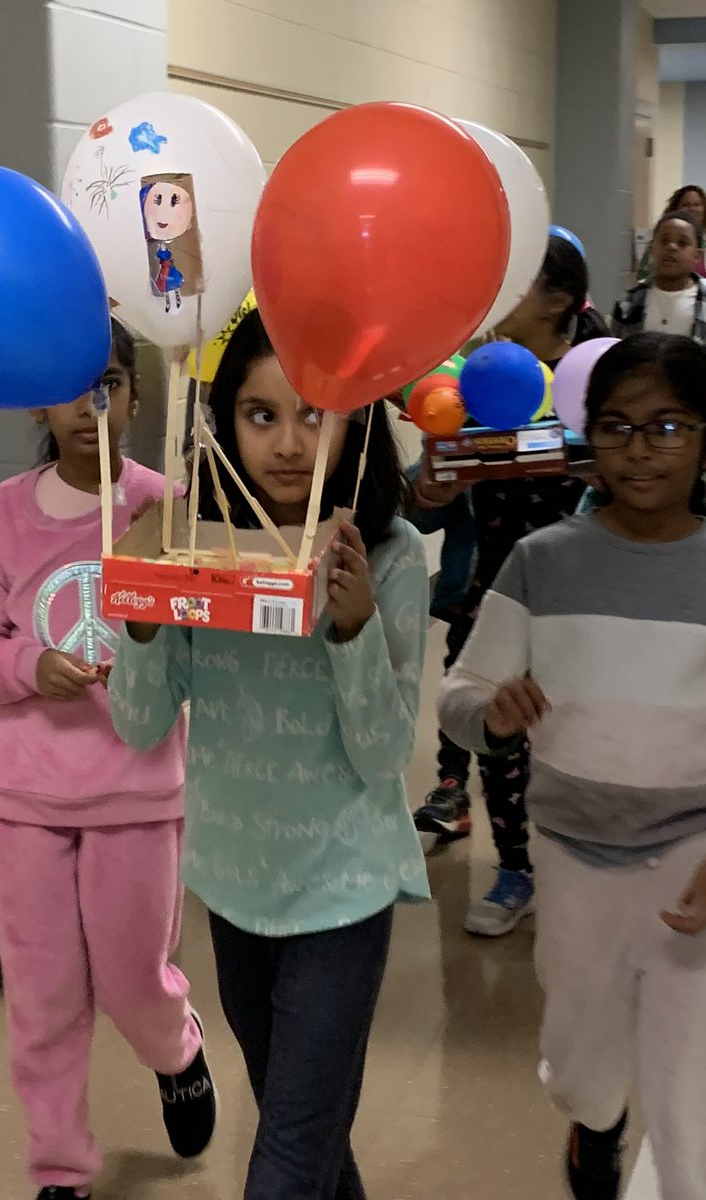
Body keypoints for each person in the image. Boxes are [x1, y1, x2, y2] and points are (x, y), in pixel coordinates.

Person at [108, 310, 430, 1200]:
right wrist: (139, 619)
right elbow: (138, 729)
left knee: (287, 1157)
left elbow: (382, 755)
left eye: (315, 413)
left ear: (357, 420)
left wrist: (355, 626)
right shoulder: (194, 551)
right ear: (224, 424)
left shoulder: (391, 558)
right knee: (311, 1129)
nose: (290, 443)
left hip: (344, 889)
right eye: (261, 415)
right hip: (236, 885)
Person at [0, 318, 216, 1200]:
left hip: (137, 790)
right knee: (44, 997)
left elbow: (198, 642)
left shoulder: (162, 506)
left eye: (108, 381)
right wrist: (29, 667)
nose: (91, 405)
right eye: (70, 387)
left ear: (136, 395)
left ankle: (175, 1050)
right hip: (25, 797)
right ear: (39, 402)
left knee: (136, 977)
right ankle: (60, 1166)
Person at [438, 332, 706, 1200]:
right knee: (580, 1061)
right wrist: (494, 713)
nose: (642, 449)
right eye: (621, 427)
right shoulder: (544, 560)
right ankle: (593, 1125)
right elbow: (461, 696)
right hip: (573, 858)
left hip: (687, 869)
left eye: (669, 426)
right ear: (590, 436)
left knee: (688, 1096)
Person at [411, 235, 609, 937]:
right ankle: (515, 867)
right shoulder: (471, 379)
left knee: (572, 730)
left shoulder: (599, 382)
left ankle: (576, 866)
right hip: (488, 590)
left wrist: (602, 474)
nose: (496, 299)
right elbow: (421, 498)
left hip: (580, 598)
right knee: (497, 733)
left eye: (516, 283)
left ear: (559, 301)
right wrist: (432, 487)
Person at [614, 210, 706, 343]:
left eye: (682, 243)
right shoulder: (628, 302)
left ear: (697, 256)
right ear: (651, 249)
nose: (671, 247)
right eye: (664, 241)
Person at [637, 184, 706, 280]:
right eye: (685, 205)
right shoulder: (659, 243)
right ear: (675, 209)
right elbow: (643, 278)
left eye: (697, 204)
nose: (692, 209)